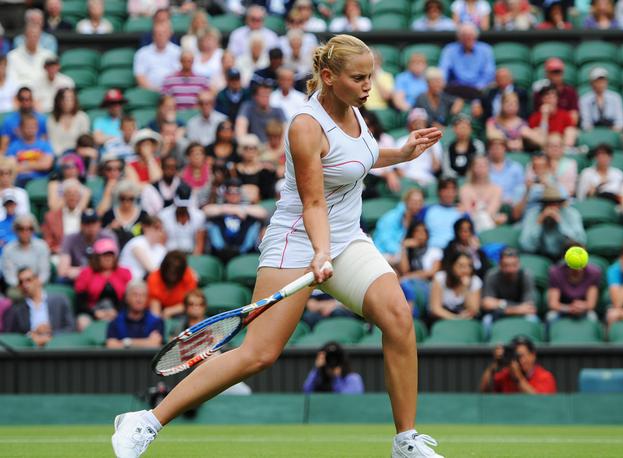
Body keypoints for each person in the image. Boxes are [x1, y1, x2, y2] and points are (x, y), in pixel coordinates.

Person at [112, 34, 445, 458]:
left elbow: (356, 159)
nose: (368, 86)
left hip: (346, 240)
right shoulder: (305, 126)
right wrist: (320, 253)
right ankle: (146, 421)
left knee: (399, 317)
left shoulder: (358, 116)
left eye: (370, 77)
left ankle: (405, 442)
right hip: (298, 241)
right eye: (358, 78)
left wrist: (399, 153)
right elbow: (313, 202)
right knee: (258, 354)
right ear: (328, 76)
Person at [203, 178, 269, 262]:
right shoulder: (219, 207)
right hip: (221, 249)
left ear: (240, 194)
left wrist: (242, 209)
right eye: (230, 192)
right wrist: (231, 210)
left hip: (243, 248)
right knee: (211, 224)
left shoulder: (247, 207)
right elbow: (205, 211)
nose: (233, 195)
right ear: (225, 194)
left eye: (237, 192)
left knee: (255, 224)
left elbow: (263, 213)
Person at [74, 237, 132, 331]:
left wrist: (117, 311)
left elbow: (129, 299)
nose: (108, 258)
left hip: (118, 311)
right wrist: (95, 313)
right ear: (97, 257)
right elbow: (80, 303)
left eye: (111, 255)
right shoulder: (86, 273)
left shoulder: (124, 273)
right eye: (104, 255)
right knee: (82, 322)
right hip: (93, 312)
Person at [481, 248, 538, 335]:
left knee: (533, 319)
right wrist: (517, 309)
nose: (510, 270)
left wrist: (500, 304)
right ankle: (488, 348)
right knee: (486, 321)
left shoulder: (526, 275)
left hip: (520, 314)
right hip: (499, 315)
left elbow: (529, 308)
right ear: (499, 265)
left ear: (519, 264)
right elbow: (486, 304)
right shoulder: (491, 275)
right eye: (506, 266)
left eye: (513, 265)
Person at [519, 185, 586, 259]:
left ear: (560, 204)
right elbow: (526, 246)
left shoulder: (571, 213)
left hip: (565, 256)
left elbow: (581, 241)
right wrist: (538, 224)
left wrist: (561, 223)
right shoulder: (533, 214)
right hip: (540, 255)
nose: (551, 207)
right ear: (542, 204)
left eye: (555, 203)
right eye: (548, 203)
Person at [3, 267, 75, 334]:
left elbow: (71, 328)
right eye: (21, 282)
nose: (25, 285)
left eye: (28, 280)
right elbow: (14, 336)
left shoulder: (60, 300)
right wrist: (32, 335)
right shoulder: (17, 310)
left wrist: (51, 335)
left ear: (37, 280)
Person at [479, 336, 557, 394]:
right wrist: (495, 365)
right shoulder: (507, 374)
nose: (518, 360)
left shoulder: (545, 377)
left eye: (520, 356)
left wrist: (518, 378)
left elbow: (541, 403)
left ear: (533, 355)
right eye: (514, 356)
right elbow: (484, 391)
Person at [57, 209, 117, 281]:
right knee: (61, 280)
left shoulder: (108, 237)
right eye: (87, 223)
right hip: (77, 279)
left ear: (99, 224)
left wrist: (85, 272)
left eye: (93, 223)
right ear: (81, 225)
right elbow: (62, 271)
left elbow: (114, 266)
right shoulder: (70, 238)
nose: (91, 227)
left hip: (102, 278)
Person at [439, 23, 495, 100]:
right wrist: (441, 83)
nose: (467, 38)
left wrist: (478, 87)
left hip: (480, 89)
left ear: (475, 37)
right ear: (459, 38)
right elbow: (443, 70)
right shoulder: (449, 49)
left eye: (470, 35)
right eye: (464, 36)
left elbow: (489, 73)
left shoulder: (486, 49)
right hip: (456, 90)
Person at [546, 248, 601, 323]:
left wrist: (582, 306)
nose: (576, 270)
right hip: (563, 308)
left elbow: (591, 304)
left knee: (592, 317)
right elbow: (553, 303)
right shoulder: (555, 272)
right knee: (551, 316)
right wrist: (568, 308)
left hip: (583, 309)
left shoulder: (594, 273)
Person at [106, 280, 164, 349]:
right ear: (126, 298)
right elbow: (111, 345)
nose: (139, 299)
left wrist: (126, 342)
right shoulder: (115, 321)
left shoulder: (156, 321)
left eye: (143, 295)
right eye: (135, 295)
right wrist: (146, 342)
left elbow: (154, 344)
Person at [373, 188, 425, 266]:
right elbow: (385, 240)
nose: (417, 204)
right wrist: (402, 247)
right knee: (401, 256)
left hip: (398, 253)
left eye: (420, 202)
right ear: (406, 201)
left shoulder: (415, 219)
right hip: (382, 252)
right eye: (414, 201)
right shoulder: (392, 217)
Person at [1, 214, 50, 293]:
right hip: (17, 287)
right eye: (21, 229)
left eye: (29, 228)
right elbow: (9, 276)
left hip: (38, 286)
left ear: (34, 230)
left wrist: (34, 286)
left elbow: (44, 273)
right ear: (16, 230)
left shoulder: (42, 246)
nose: (25, 232)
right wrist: (23, 286)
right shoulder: (8, 249)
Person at [429, 248, 481, 321]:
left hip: (465, 320)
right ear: (452, 266)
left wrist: (466, 288)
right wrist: (456, 318)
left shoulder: (475, 281)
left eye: (469, 266)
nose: (465, 270)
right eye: (461, 266)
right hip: (442, 319)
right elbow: (435, 308)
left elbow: (474, 310)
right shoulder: (440, 278)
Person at [5, 114, 54, 186]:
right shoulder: (14, 146)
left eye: (33, 127)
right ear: (21, 128)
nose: (30, 129)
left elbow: (46, 165)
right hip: (19, 181)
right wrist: (37, 164)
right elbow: (11, 167)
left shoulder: (44, 145)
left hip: (40, 180)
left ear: (37, 128)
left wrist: (25, 165)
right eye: (27, 127)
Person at [459, 156, 506, 232]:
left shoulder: (496, 189)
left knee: (483, 217)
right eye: (477, 165)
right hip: (472, 224)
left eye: (484, 166)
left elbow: (490, 212)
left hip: (489, 223)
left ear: (488, 168)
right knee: (481, 217)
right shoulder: (465, 189)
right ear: (472, 168)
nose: (481, 169)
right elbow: (469, 213)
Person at [147, 250, 198, 319]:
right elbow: (155, 311)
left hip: (182, 313)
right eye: (169, 272)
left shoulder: (188, 276)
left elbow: (191, 302)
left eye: (175, 273)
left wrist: (170, 311)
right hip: (161, 312)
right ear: (164, 269)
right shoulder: (154, 278)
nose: (172, 277)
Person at [134, 21, 181, 91]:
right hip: (149, 92)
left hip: (172, 92)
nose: (161, 36)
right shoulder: (142, 53)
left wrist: (168, 90)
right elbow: (140, 76)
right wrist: (154, 90)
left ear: (169, 34)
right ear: (153, 36)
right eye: (158, 34)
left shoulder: (178, 52)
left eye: (163, 33)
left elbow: (180, 74)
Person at [0, 87, 47, 155]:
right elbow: (3, 147)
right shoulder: (9, 121)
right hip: (15, 156)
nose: (25, 102)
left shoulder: (41, 120)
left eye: (28, 99)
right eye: (22, 99)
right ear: (18, 100)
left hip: (37, 155)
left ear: (32, 100)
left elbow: (45, 143)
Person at [119, 215, 167, 281]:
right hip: (129, 283)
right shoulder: (137, 243)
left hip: (145, 283)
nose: (159, 232)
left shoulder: (161, 249)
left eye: (161, 229)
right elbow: (151, 270)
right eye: (156, 228)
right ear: (145, 228)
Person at [533, 58, 579, 126]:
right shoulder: (539, 92)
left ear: (562, 73)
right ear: (547, 74)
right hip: (546, 125)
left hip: (564, 125)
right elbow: (537, 116)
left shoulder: (570, 91)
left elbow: (574, 116)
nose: (556, 76)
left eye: (558, 72)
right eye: (553, 72)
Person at [7, 24, 55, 88]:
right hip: (21, 93)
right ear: (24, 36)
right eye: (30, 35)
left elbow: (51, 78)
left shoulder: (49, 55)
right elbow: (11, 79)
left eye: (35, 36)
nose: (33, 38)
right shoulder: (12, 56)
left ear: (40, 37)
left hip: (42, 92)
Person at [102, 180, 148, 248]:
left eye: (130, 199)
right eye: (123, 198)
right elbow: (101, 235)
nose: (126, 202)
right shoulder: (109, 214)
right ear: (118, 197)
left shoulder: (143, 215)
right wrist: (110, 228)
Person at [579, 67, 623, 132]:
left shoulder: (615, 97)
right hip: (593, 132)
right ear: (591, 83)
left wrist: (612, 131)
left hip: (613, 131)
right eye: (597, 81)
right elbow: (586, 123)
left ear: (606, 82)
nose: (600, 84)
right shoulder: (585, 99)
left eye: (602, 80)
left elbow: (621, 122)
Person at [47, 87, 90, 156]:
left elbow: (84, 140)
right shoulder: (51, 119)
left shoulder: (82, 117)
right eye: (64, 99)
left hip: (79, 154)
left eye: (70, 99)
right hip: (59, 156)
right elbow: (53, 142)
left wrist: (76, 152)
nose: (67, 102)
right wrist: (63, 156)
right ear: (58, 101)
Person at [442, 114, 485, 179]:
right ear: (454, 129)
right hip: (453, 182)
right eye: (460, 128)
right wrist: (458, 180)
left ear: (471, 129)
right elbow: (446, 170)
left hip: (474, 179)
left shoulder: (478, 145)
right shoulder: (448, 147)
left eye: (465, 128)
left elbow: (480, 165)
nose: (463, 131)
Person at [487, 135, 525, 207]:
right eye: (493, 148)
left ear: (504, 149)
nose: (496, 151)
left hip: (513, 204)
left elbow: (521, 188)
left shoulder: (516, 167)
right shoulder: (484, 168)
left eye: (499, 148)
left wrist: (513, 200)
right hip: (490, 204)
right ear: (489, 151)